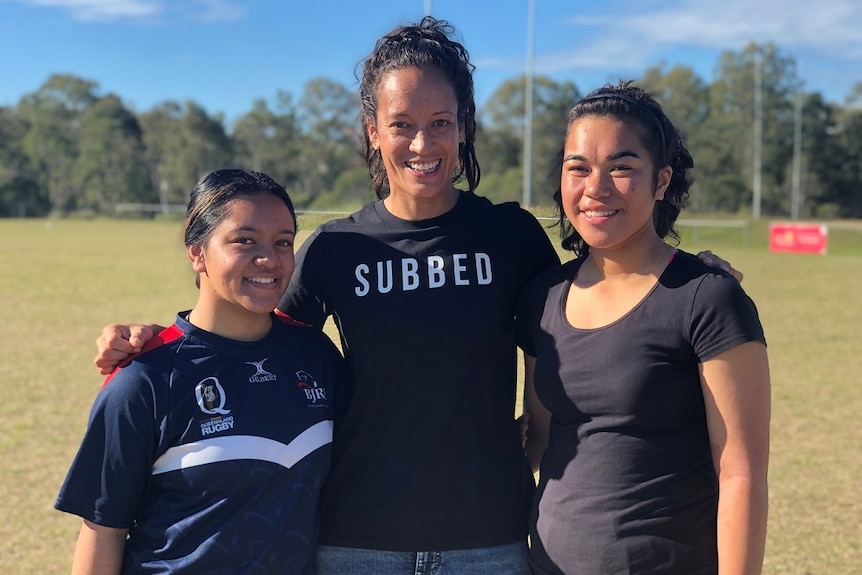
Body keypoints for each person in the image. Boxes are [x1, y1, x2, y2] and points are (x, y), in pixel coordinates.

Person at [92, 19, 742, 575]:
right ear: (373, 131)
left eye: (441, 123)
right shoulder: (334, 249)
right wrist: (160, 344)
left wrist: (685, 270)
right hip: (355, 542)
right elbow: (246, 330)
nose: (423, 144)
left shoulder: (511, 237)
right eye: (402, 124)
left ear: (464, 129)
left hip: (489, 540)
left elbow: (597, 293)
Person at [515, 82, 771, 575]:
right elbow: (539, 439)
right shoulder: (541, 298)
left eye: (622, 167)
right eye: (578, 168)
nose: (597, 187)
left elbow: (741, 474)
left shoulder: (708, 298)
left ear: (661, 181)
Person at [56, 169, 343, 575]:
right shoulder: (145, 378)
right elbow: (103, 530)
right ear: (197, 252)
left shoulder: (315, 356)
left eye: (283, 242)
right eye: (244, 240)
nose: (270, 258)